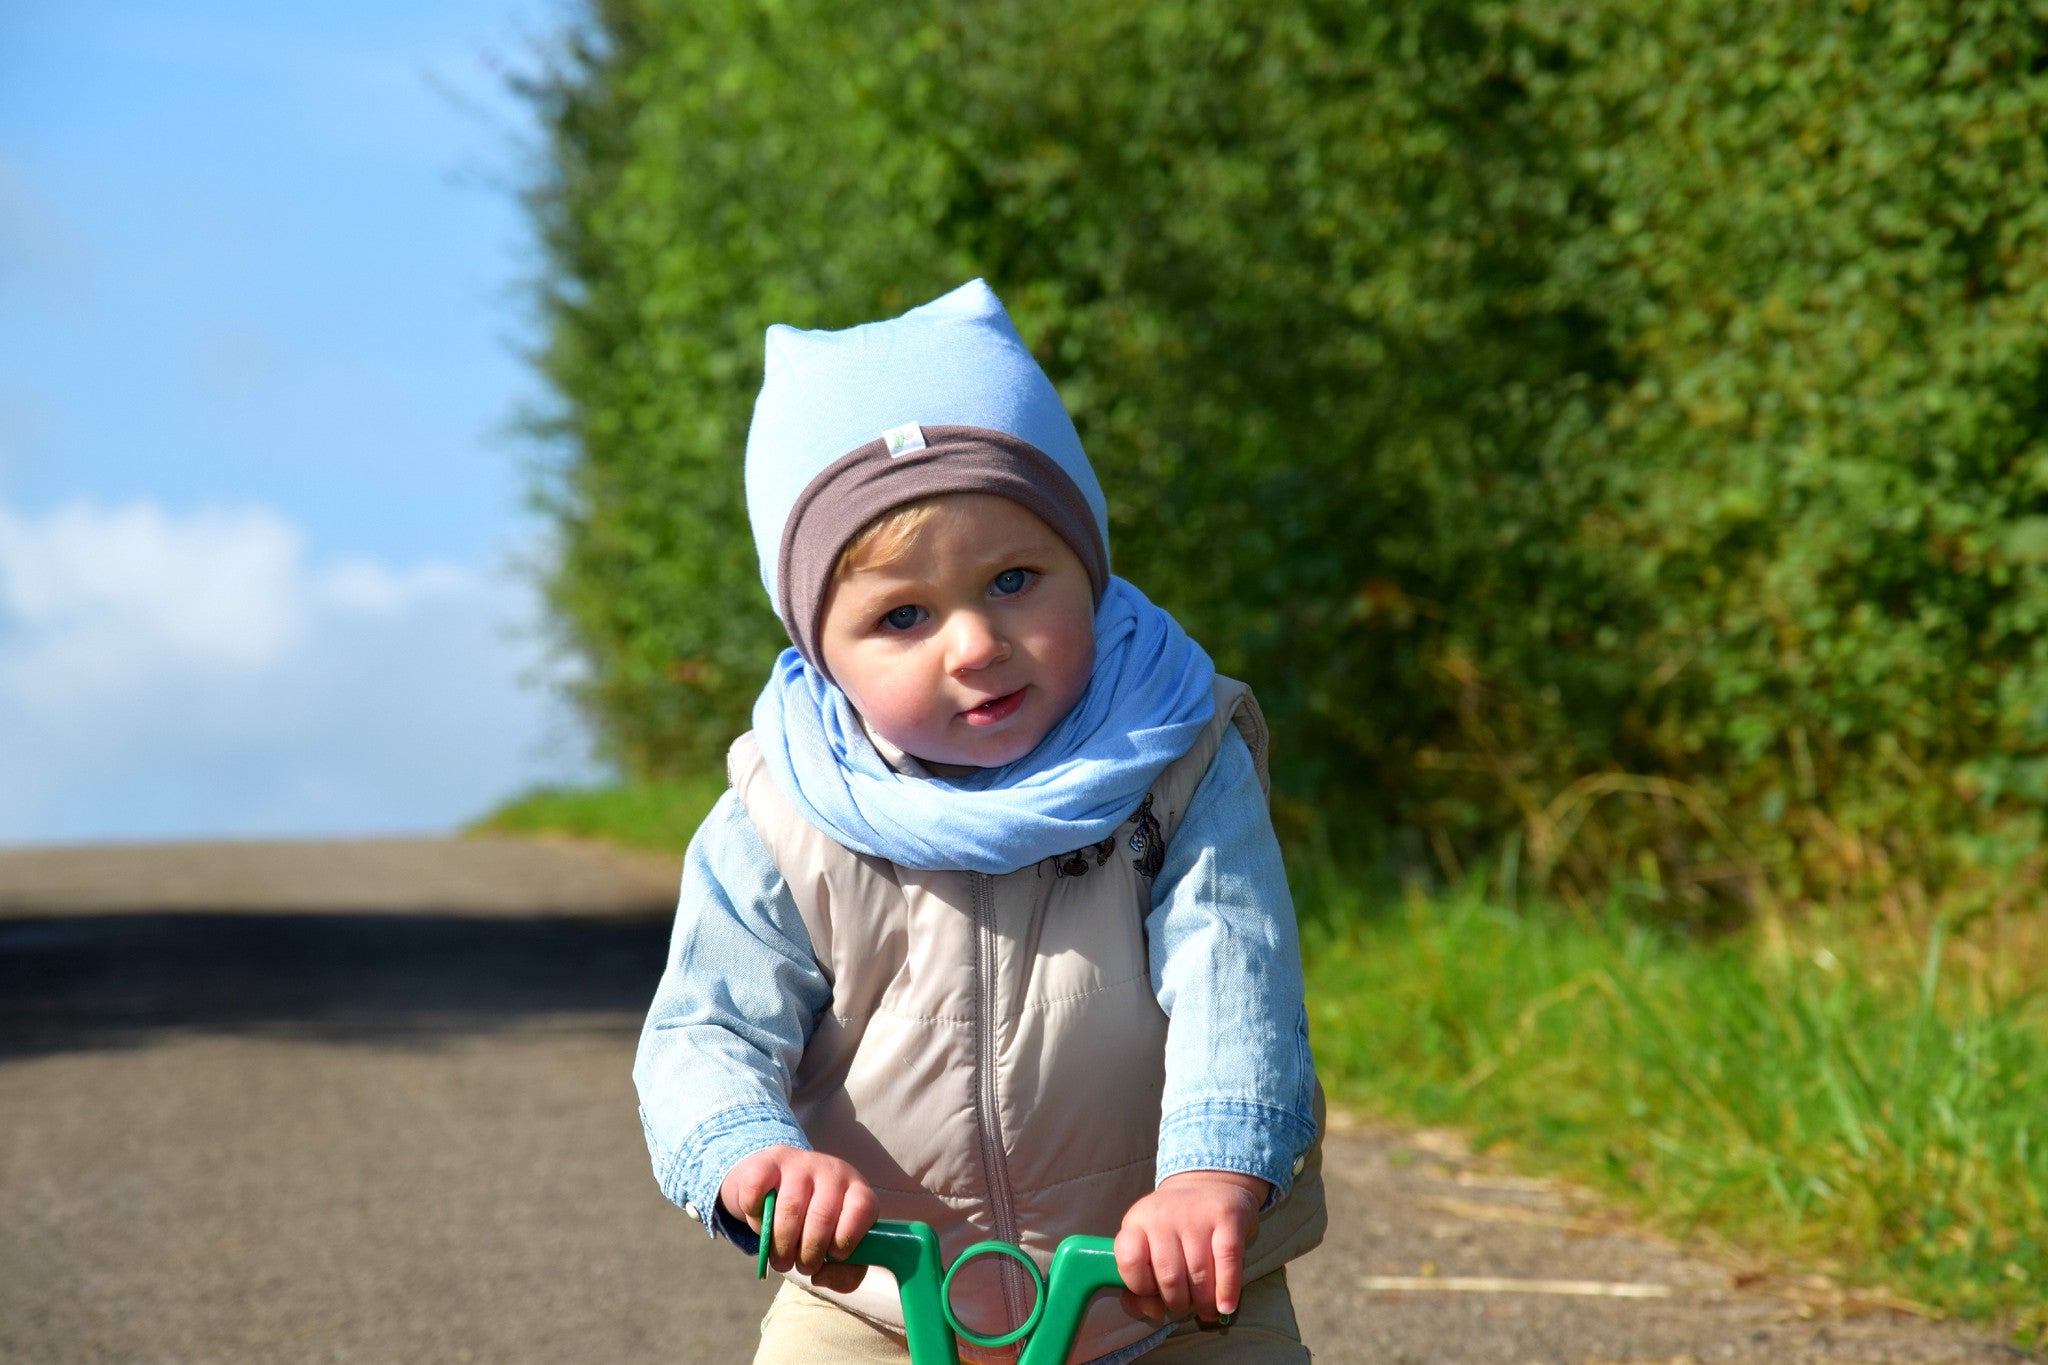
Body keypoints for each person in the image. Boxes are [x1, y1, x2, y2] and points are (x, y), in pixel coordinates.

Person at [633, 279, 1326, 1363]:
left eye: (1013, 579)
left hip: (1166, 1288)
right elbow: (702, 1031)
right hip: (873, 1296)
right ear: (820, 647)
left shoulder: (1180, 754)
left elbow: (1236, 978)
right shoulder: (781, 809)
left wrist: (1210, 1172)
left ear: (1086, 567)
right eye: (900, 616)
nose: (972, 644)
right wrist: (752, 1156)